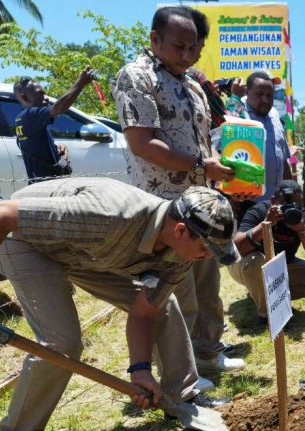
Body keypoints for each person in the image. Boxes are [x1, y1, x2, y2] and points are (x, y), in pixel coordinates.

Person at [0, 179, 236, 431]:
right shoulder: (109, 216)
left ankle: (181, 397)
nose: (208, 256)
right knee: (62, 341)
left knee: (164, 306)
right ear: (180, 230)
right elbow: (0, 214)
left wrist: (140, 370)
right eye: (206, 249)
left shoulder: (178, 254)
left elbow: (144, 311)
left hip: (84, 251)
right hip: (26, 242)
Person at [112, 5, 243, 372]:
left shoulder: (192, 84)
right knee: (174, 294)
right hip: (165, 209)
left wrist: (217, 168)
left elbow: (205, 140)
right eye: (178, 46)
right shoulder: (136, 77)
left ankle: (208, 352)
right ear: (155, 39)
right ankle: (178, 372)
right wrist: (202, 165)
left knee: (206, 285)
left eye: (193, 49)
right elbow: (142, 143)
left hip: (202, 203)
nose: (186, 55)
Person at [228, 180, 305, 326]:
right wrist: (266, 224)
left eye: (296, 204)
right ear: (273, 200)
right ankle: (266, 315)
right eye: (284, 204)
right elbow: (239, 247)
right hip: (247, 266)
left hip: (282, 265)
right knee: (254, 261)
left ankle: (269, 297)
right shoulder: (259, 211)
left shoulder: (303, 216)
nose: (290, 208)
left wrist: (302, 230)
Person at [12, 68, 95, 183]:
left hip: (41, 184)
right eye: (40, 94)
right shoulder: (30, 115)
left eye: (45, 93)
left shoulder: (24, 119)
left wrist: (56, 147)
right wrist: (80, 83)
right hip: (45, 187)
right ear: (25, 98)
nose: (46, 98)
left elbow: (35, 146)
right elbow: (58, 109)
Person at [224, 71, 293, 199]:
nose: (265, 100)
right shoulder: (238, 112)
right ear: (247, 91)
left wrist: (292, 190)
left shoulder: (275, 114)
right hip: (247, 200)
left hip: (276, 201)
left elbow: (282, 160)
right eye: (260, 94)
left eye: (269, 95)